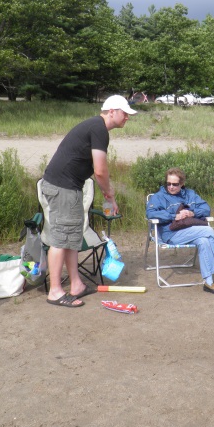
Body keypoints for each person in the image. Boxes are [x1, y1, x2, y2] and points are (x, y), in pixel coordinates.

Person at [38, 95, 136, 307]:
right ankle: (55, 291)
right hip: (62, 187)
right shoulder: (98, 128)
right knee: (60, 238)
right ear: (111, 111)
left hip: (69, 187)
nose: (128, 117)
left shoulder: (96, 127)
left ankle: (77, 285)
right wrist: (109, 195)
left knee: (72, 237)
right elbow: (100, 171)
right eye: (124, 113)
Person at [146, 167, 214, 296]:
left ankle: (209, 282)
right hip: (171, 233)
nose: (171, 187)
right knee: (208, 230)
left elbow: (206, 209)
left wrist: (191, 212)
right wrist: (174, 216)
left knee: (204, 240)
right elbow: (150, 213)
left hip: (191, 230)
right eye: (168, 184)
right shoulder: (159, 197)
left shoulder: (190, 194)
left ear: (182, 184)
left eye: (175, 184)